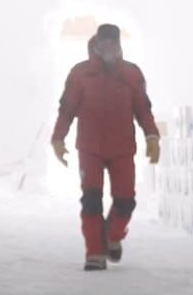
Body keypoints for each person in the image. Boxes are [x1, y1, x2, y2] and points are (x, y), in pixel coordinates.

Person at [50, 23, 161, 271]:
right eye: (104, 43)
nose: (108, 47)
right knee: (91, 201)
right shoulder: (80, 73)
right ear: (97, 43)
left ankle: (112, 236)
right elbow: (67, 108)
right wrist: (58, 138)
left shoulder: (131, 73)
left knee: (125, 202)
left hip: (123, 148)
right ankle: (95, 254)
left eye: (113, 43)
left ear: (119, 44)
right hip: (90, 148)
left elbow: (143, 109)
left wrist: (152, 136)